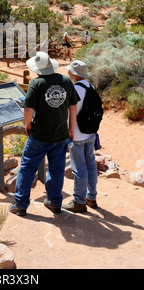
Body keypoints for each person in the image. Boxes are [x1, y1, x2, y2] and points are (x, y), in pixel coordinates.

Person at [9, 52, 79, 216]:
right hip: (61, 134)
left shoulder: (37, 83)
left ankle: (20, 204)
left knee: (27, 167)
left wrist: (28, 124)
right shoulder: (66, 81)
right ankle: (55, 202)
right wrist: (71, 129)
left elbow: (27, 110)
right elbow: (73, 108)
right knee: (57, 169)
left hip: (40, 135)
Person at [63, 60, 98, 213]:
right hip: (90, 133)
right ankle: (91, 197)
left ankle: (79, 201)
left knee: (79, 167)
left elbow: (71, 112)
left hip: (76, 134)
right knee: (91, 164)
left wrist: (67, 131)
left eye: (70, 71)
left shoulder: (74, 89)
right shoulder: (91, 86)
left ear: (75, 74)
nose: (68, 73)